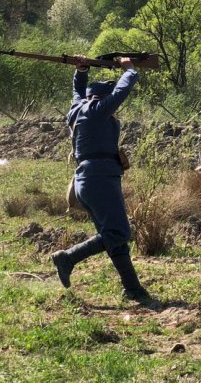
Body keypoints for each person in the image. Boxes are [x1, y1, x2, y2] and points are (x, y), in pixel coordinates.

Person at [51, 58, 149, 301]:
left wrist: (81, 71)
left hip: (87, 181)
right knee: (119, 233)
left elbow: (77, 92)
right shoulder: (97, 110)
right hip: (100, 179)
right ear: (102, 99)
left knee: (113, 237)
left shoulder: (78, 109)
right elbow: (121, 92)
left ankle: (133, 288)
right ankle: (68, 257)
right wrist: (129, 70)